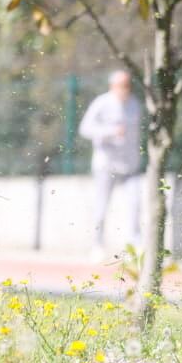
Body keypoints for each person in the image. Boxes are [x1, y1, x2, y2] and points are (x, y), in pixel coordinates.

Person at [78, 69, 143, 259]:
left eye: (128, 85)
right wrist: (109, 131)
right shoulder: (102, 103)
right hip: (106, 165)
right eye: (121, 85)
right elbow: (85, 128)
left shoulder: (135, 105)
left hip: (129, 165)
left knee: (135, 204)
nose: (125, 89)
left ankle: (135, 246)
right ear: (113, 86)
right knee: (101, 206)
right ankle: (97, 245)